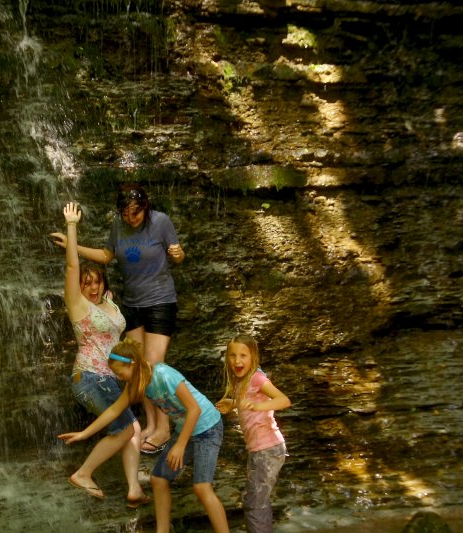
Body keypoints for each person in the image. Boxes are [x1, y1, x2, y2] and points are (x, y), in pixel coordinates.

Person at [51, 185, 184, 454]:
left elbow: (177, 253)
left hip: (159, 301)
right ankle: (148, 424)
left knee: (154, 366)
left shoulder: (160, 221)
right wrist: (71, 245)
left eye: (135, 213)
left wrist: (179, 255)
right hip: (133, 303)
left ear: (145, 207)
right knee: (137, 367)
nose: (130, 218)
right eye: (125, 214)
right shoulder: (118, 226)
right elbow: (106, 256)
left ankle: (164, 428)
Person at [58, 338, 229, 533]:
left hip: (208, 427)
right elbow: (114, 410)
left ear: (132, 364)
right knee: (159, 479)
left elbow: (194, 410)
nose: (119, 378)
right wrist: (84, 434)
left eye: (120, 373)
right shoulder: (135, 384)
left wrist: (180, 446)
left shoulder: (163, 374)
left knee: (201, 487)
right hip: (187, 429)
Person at [52, 202, 149, 507]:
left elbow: (116, 337)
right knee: (127, 428)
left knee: (131, 428)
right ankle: (83, 473)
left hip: (113, 378)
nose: (91, 288)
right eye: (86, 283)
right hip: (90, 378)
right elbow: (72, 267)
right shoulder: (78, 304)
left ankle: (133, 488)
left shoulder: (109, 303)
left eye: (96, 282)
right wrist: (71, 227)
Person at [215, 334, 291, 533]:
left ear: (253, 357)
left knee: (256, 503)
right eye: (232, 355)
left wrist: (259, 405)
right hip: (258, 450)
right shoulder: (240, 381)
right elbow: (247, 404)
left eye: (243, 355)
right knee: (253, 499)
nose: (237, 361)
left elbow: (284, 400)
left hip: (268, 449)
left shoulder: (257, 378)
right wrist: (233, 404)